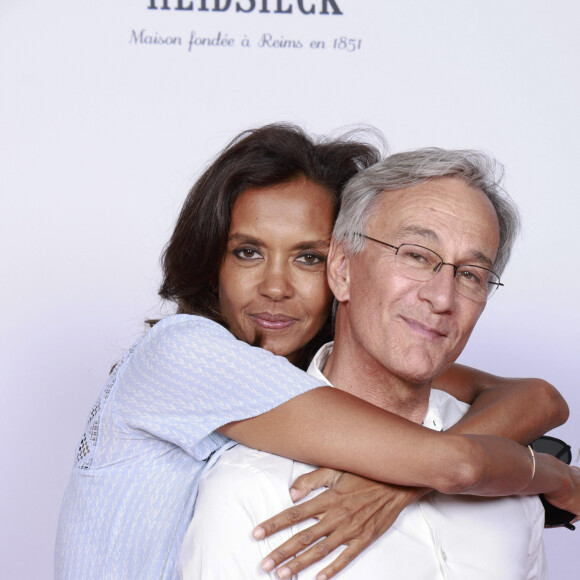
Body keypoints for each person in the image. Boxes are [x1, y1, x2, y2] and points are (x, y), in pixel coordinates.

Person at [54, 124, 572, 580]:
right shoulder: (182, 354)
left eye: (307, 257)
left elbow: (534, 397)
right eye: (247, 252)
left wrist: (392, 491)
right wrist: (552, 477)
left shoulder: (295, 376)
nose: (276, 286)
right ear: (212, 259)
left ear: (338, 270)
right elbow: (452, 462)